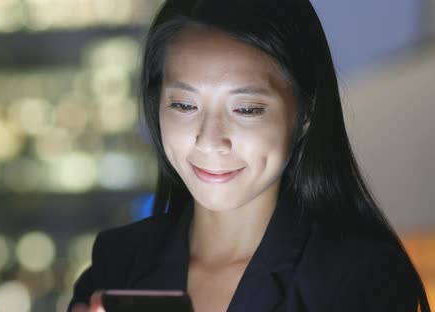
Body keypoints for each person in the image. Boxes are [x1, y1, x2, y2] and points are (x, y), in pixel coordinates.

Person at [68, 0, 432, 311]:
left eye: (246, 109)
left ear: (305, 115)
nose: (210, 141)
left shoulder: (359, 281)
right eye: (183, 104)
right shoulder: (119, 262)